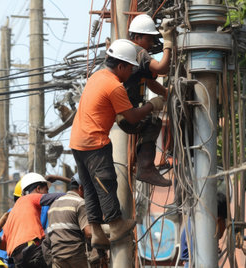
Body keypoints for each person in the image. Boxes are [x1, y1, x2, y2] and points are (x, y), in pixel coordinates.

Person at [69, 39, 166, 249]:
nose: (131, 72)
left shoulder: (97, 77)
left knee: (91, 189)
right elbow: (131, 117)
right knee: (106, 183)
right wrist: (152, 104)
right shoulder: (114, 86)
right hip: (94, 142)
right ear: (120, 66)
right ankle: (115, 224)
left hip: (77, 142)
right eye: (130, 68)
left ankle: (96, 232)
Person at [116, 14, 176, 187]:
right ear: (137, 37)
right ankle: (146, 167)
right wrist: (168, 42)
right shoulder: (137, 52)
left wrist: (166, 93)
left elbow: (150, 82)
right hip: (128, 114)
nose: (151, 44)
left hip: (125, 114)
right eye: (149, 39)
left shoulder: (134, 57)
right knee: (153, 123)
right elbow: (162, 68)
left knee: (149, 123)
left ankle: (143, 164)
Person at [0, 172, 64, 268]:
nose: (47, 193)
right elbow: (59, 196)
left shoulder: (12, 213)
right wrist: (74, 193)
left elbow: (2, 243)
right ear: (38, 189)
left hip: (18, 259)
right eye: (46, 190)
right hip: (31, 250)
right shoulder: (29, 198)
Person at [46, 174, 92, 267]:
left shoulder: (54, 204)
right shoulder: (80, 203)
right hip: (75, 256)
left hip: (57, 256)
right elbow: (89, 233)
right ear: (81, 188)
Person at [179, 192, 228, 267]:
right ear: (218, 220)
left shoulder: (192, 221)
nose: (225, 227)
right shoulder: (203, 239)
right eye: (225, 222)